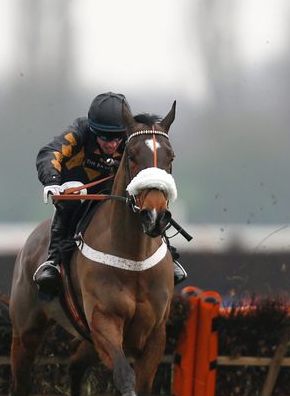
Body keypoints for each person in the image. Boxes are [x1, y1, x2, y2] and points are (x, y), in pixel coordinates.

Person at [33, 92, 187, 296]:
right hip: (79, 187)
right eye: (104, 137)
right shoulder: (79, 131)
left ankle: (169, 254)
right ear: (92, 129)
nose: (112, 144)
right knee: (69, 205)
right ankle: (53, 261)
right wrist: (52, 182)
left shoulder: (130, 136)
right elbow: (50, 153)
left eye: (116, 138)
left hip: (113, 188)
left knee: (148, 203)